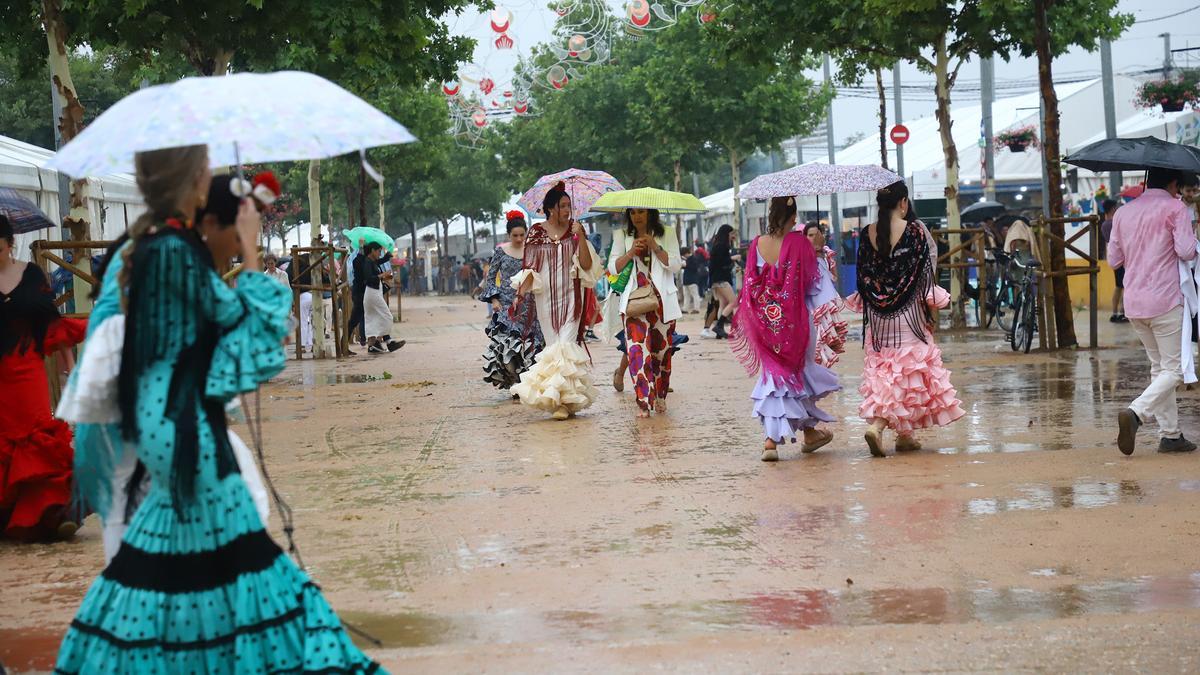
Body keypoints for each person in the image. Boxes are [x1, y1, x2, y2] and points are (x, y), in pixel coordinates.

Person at [56, 146, 382, 673]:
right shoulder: (171, 252)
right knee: (248, 581)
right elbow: (254, 340)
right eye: (206, 166)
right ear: (193, 177)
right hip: (188, 442)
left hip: (172, 436)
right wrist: (251, 250)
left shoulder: (153, 246)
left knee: (170, 583)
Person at [847, 181, 965, 457]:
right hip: (908, 314)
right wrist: (930, 310)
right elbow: (926, 276)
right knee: (908, 372)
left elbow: (863, 276)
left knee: (889, 371)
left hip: (878, 316)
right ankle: (879, 425)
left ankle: (905, 435)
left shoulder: (867, 234)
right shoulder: (915, 231)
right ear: (903, 203)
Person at [730, 198, 838, 461]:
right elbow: (813, 283)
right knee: (799, 374)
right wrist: (817, 254)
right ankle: (778, 438)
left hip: (766, 321)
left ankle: (794, 436)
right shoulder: (800, 243)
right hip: (795, 321)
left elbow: (751, 284)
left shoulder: (757, 244)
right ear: (793, 217)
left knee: (774, 377)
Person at [0, 214, 86, 541]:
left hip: (28, 368)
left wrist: (69, 365)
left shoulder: (32, 274)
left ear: (10, 245)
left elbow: (52, 322)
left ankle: (53, 511)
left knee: (36, 437)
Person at [1110, 168, 1199, 455]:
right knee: (1175, 369)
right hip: (1166, 299)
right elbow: (1186, 250)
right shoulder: (1175, 208)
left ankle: (1171, 435)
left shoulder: (1124, 213)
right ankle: (1136, 413)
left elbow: (1113, 259)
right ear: (1174, 183)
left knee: (1159, 367)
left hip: (1134, 302)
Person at [510, 182, 602, 420]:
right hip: (546, 299)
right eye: (562, 205)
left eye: (569, 205)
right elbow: (529, 269)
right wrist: (519, 295)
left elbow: (587, 265)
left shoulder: (576, 230)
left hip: (573, 296)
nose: (567, 210)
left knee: (567, 345)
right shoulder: (536, 232)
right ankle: (562, 402)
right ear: (550, 208)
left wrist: (580, 237)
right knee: (554, 348)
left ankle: (563, 403)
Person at [607, 208, 683, 417]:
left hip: (662, 304)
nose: (637, 217)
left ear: (650, 213)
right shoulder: (622, 236)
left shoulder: (666, 233)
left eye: (641, 212)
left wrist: (655, 247)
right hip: (634, 302)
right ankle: (643, 402)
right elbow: (613, 268)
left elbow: (676, 265)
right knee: (636, 351)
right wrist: (630, 253)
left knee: (661, 354)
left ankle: (659, 396)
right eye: (632, 213)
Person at [480, 211, 544, 391]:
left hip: (529, 304)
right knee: (508, 345)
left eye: (522, 235)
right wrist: (494, 300)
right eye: (515, 235)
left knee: (530, 344)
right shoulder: (501, 251)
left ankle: (527, 382)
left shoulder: (531, 251)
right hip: (506, 304)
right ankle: (515, 382)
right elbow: (491, 278)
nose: (519, 238)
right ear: (509, 235)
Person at [803, 221, 849, 368]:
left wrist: (822, 253)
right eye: (810, 235)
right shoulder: (802, 256)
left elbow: (834, 277)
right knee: (814, 345)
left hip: (827, 304)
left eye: (817, 235)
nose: (813, 238)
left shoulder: (826, 254)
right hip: (811, 307)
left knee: (826, 344)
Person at [359, 242, 403, 354]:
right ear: (373, 250)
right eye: (378, 251)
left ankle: (373, 345)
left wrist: (387, 257)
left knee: (373, 319)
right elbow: (368, 279)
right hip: (372, 294)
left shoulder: (371, 262)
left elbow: (379, 262)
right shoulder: (367, 262)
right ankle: (383, 341)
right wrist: (383, 275)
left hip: (373, 293)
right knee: (387, 317)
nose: (379, 254)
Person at [701, 224, 739, 339]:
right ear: (726, 233)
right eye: (731, 234)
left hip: (716, 279)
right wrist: (733, 258)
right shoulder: (722, 246)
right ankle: (719, 325)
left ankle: (719, 331)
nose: (733, 236)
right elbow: (721, 262)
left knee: (723, 303)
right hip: (721, 279)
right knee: (734, 302)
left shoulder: (718, 245)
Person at [1099, 199, 1127, 322]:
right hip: (1121, 257)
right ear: (1112, 209)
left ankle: (1117, 311)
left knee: (1119, 285)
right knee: (1122, 286)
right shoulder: (1112, 224)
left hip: (1114, 258)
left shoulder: (1104, 224)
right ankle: (1121, 311)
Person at [289, 252, 315, 352]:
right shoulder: (314, 262)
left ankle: (303, 345)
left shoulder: (294, 264)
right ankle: (313, 344)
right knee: (313, 321)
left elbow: (289, 278)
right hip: (315, 294)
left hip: (302, 295)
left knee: (303, 321)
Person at [348, 237, 367, 346]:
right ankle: (363, 338)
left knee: (357, 317)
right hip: (360, 292)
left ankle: (363, 338)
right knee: (358, 317)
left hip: (357, 290)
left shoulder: (352, 258)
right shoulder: (356, 259)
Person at [681, 246, 706, 314]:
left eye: (683, 254)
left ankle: (696, 308)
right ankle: (685, 308)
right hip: (686, 280)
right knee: (686, 295)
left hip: (692, 280)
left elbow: (694, 268)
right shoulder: (687, 259)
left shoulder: (693, 258)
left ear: (686, 253)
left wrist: (686, 266)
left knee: (695, 295)